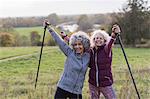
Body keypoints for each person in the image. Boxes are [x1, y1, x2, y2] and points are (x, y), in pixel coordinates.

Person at [44, 21, 91, 99]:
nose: (77, 47)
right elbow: (59, 41)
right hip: (63, 87)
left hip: (77, 91)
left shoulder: (88, 56)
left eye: (79, 44)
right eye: (75, 44)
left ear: (84, 45)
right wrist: (49, 28)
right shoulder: (70, 53)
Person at [88, 25, 121, 99]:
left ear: (104, 40)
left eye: (100, 38)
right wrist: (66, 38)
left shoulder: (106, 49)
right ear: (93, 40)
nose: (98, 40)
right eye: (96, 38)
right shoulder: (91, 51)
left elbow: (111, 41)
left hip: (105, 82)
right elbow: (80, 45)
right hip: (93, 83)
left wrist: (114, 34)